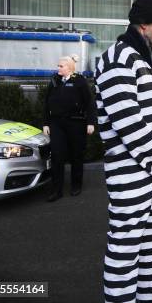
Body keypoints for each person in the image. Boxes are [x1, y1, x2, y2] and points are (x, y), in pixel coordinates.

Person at [95, 0, 152, 303]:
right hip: (130, 173)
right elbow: (128, 122)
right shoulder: (119, 58)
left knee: (150, 244)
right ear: (144, 24)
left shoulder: (145, 59)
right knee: (125, 247)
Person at [43, 54, 96, 202]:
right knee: (57, 156)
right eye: (58, 65)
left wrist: (91, 122)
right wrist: (46, 123)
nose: (58, 68)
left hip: (76, 123)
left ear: (70, 68)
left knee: (76, 155)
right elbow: (47, 103)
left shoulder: (79, 81)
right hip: (57, 124)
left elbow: (89, 103)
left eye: (61, 66)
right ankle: (56, 190)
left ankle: (76, 185)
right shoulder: (54, 81)